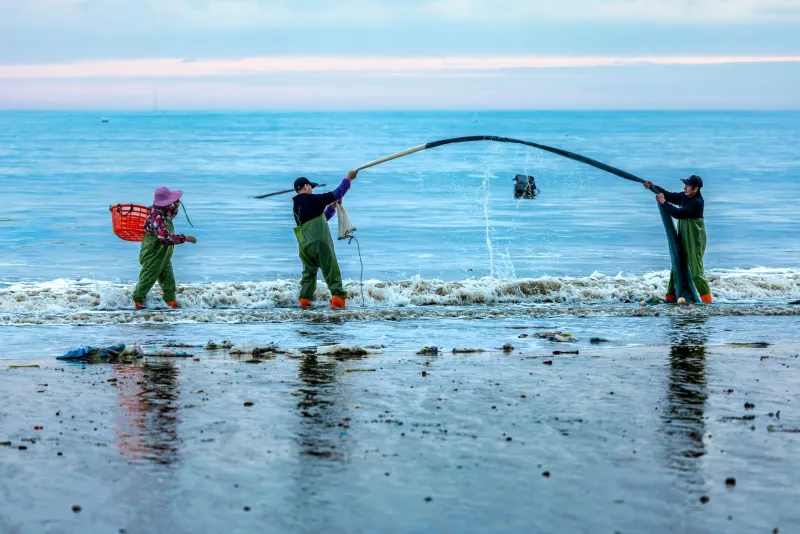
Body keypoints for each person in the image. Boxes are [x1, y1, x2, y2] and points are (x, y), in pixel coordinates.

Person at [293, 170, 358, 309]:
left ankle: (304, 302)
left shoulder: (296, 206)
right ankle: (338, 302)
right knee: (331, 269)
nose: (311, 188)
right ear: (306, 186)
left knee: (308, 274)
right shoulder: (312, 199)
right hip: (319, 243)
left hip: (304, 247)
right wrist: (349, 178)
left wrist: (333, 205)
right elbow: (337, 193)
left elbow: (322, 218)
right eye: (310, 186)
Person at [644, 175, 712, 304]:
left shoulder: (697, 202)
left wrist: (664, 202)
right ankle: (670, 300)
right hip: (684, 234)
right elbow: (670, 195)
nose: (684, 187)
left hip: (695, 238)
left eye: (687, 185)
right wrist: (653, 187)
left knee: (696, 273)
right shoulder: (685, 196)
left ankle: (708, 304)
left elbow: (678, 214)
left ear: (695, 189)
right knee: (677, 267)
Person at [132, 187, 196, 309]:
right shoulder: (157, 217)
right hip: (152, 254)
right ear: (165, 203)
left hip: (164, 255)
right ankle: (136, 302)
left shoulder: (163, 212)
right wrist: (185, 238)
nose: (173, 203)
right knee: (147, 279)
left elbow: (170, 214)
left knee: (169, 281)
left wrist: (175, 206)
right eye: (171, 201)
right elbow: (165, 239)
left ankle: (170, 302)